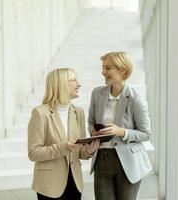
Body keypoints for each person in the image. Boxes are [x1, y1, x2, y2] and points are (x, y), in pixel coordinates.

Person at [88, 52, 152, 200]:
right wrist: (93, 131)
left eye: (108, 68)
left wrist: (121, 131)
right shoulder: (97, 94)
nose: (103, 72)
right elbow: (90, 122)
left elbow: (146, 134)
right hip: (102, 160)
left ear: (122, 70)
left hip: (128, 163)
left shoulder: (136, 99)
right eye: (103, 68)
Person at [28, 68, 99, 200]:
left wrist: (88, 151)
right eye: (74, 80)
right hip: (49, 185)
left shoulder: (79, 112)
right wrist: (64, 147)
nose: (79, 84)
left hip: (75, 183)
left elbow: (79, 151)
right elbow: (33, 153)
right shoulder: (40, 113)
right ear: (61, 84)